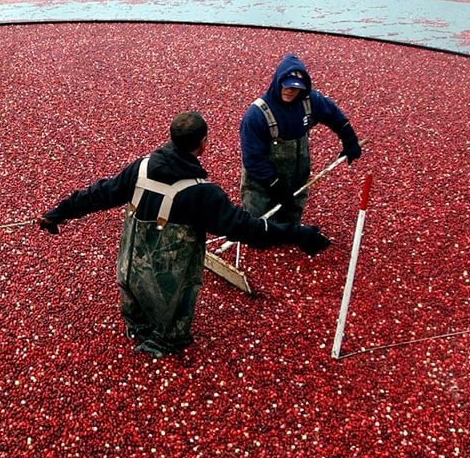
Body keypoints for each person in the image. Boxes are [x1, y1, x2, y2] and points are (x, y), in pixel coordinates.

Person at [36, 111, 331, 358]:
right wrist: (297, 233)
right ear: (203, 143)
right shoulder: (203, 193)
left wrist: (59, 212)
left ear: (171, 138)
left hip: (130, 267)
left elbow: (99, 194)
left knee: (135, 295)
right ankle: (168, 341)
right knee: (173, 307)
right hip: (169, 276)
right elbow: (248, 229)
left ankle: (136, 326)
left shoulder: (142, 168)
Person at [239, 54, 361, 225]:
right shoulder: (257, 115)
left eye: (296, 88)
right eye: (287, 86)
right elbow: (252, 158)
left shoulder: (310, 101)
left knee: (291, 225)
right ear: (278, 82)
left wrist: (349, 140)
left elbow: (335, 117)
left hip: (296, 177)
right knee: (261, 230)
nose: (290, 91)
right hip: (262, 183)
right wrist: (275, 184)